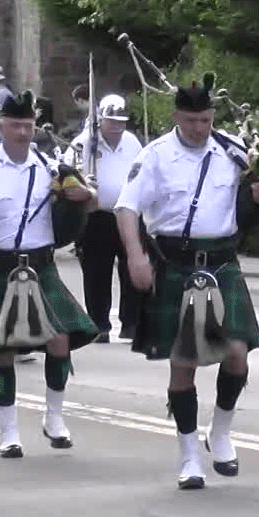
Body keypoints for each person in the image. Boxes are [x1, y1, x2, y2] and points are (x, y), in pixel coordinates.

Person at [117, 74, 259, 490]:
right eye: (192, 121)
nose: (199, 129)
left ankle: (221, 430)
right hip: (176, 263)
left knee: (238, 353)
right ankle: (189, 456)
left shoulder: (231, 151)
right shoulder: (155, 156)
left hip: (223, 263)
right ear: (177, 117)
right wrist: (136, 256)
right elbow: (126, 208)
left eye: (206, 120)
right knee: (183, 364)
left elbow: (255, 200)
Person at [0, 89, 99, 457]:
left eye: (28, 125)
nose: (22, 132)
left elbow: (92, 199)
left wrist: (80, 193)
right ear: (1, 128)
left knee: (60, 339)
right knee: (3, 350)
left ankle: (54, 417)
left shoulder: (50, 167)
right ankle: (9, 432)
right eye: (15, 125)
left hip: (41, 265)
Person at [73, 94, 145, 342]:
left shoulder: (133, 143)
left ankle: (132, 323)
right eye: (111, 121)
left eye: (120, 122)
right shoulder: (85, 144)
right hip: (97, 216)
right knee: (96, 273)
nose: (116, 127)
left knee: (131, 269)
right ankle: (99, 324)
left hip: (127, 214)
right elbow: (69, 174)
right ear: (100, 120)